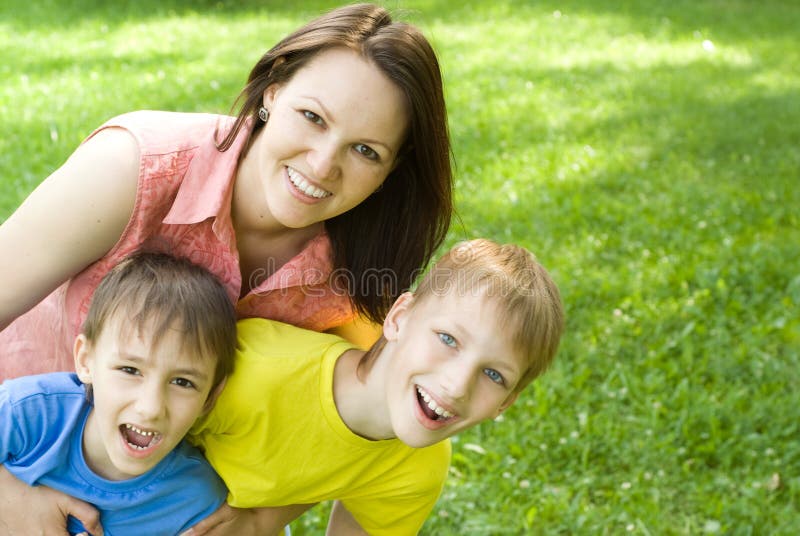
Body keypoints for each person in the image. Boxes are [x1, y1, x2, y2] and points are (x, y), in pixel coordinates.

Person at [0, 1, 452, 381]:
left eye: (365, 151)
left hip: (165, 481)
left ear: (393, 168)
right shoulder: (132, 168)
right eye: (313, 117)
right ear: (272, 92)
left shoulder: (359, 272)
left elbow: (327, 431)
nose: (322, 165)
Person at [182, 239, 565, 535]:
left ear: (507, 403)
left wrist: (260, 522)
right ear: (399, 317)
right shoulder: (254, 373)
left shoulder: (418, 468)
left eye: (494, 375)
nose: (458, 385)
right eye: (448, 339)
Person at [0, 252, 237, 534]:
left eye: (182, 382)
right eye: (130, 370)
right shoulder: (27, 414)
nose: (150, 407)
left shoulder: (197, 505)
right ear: (86, 360)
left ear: (210, 396)